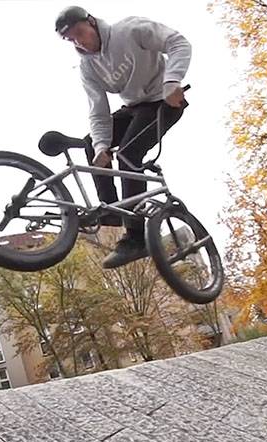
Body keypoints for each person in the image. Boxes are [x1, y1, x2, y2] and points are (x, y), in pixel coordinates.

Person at [55, 6, 191, 269]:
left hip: (164, 101)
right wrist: (102, 147)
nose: (80, 42)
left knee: (129, 154)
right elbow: (98, 111)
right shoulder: (88, 67)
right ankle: (114, 209)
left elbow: (177, 42)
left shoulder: (128, 30)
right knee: (90, 143)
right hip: (134, 108)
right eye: (72, 39)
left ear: (92, 22)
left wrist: (172, 80)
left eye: (80, 33)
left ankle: (136, 237)